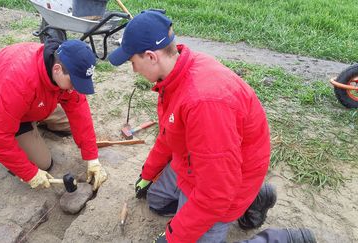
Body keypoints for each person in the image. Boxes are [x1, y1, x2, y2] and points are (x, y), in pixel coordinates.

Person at [108, 10, 316, 243]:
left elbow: (216, 194)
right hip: (199, 164)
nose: (134, 70)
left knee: (194, 225)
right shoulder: (174, 75)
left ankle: (283, 238)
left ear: (151, 56)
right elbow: (169, 133)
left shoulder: (203, 102)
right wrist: (148, 173)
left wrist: (173, 236)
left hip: (229, 181)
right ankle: (256, 198)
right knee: (157, 200)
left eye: (132, 62)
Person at [0, 38, 107, 190]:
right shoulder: (17, 84)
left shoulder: (62, 68)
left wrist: (92, 157)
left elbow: (79, 110)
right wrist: (30, 174)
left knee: (69, 125)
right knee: (43, 163)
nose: (76, 88)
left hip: (37, 100)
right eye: (74, 82)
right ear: (56, 69)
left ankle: (33, 122)